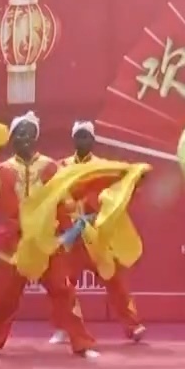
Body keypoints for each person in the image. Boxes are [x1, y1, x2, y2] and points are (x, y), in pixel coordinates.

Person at [0, 112, 99, 358]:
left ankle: (82, 343)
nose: (25, 138)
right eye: (20, 133)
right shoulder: (1, 171)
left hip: (45, 242)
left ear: (36, 137)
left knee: (63, 291)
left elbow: (62, 200)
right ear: (12, 138)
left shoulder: (51, 168)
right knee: (2, 298)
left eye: (29, 133)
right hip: (14, 245)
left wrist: (65, 231)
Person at [52, 120, 147, 344]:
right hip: (72, 235)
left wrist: (137, 176)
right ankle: (64, 327)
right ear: (73, 139)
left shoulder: (104, 167)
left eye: (86, 136)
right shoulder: (61, 166)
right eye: (79, 136)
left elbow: (124, 182)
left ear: (93, 140)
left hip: (96, 235)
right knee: (63, 283)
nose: (82, 140)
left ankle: (132, 326)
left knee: (114, 280)